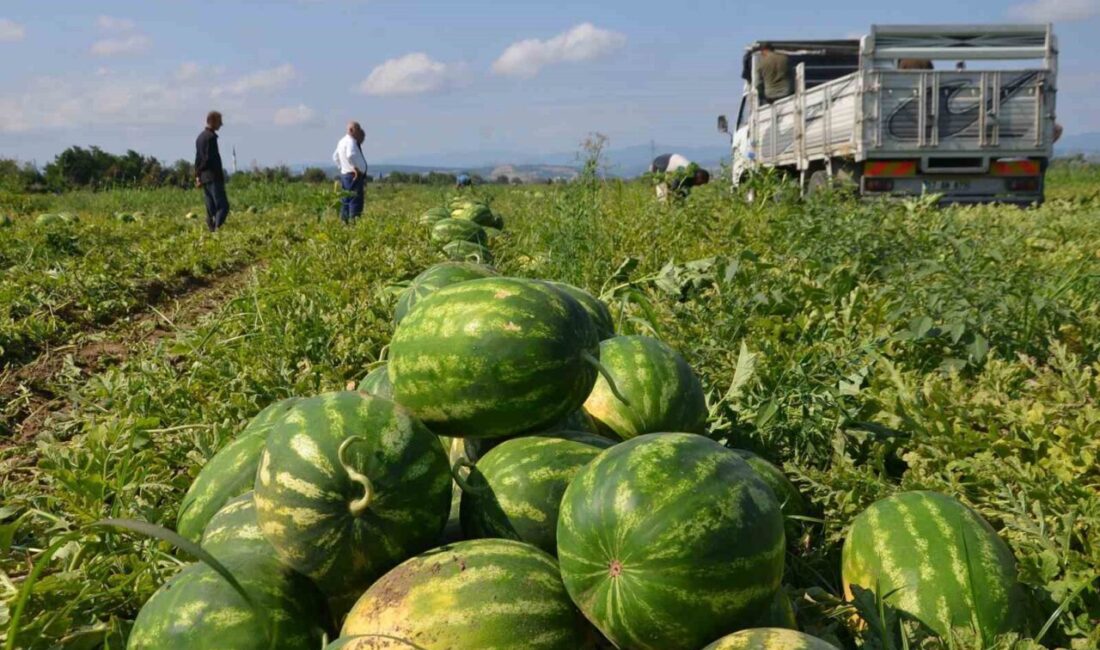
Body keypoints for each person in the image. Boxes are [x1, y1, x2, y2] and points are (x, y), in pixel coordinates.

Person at [194, 111, 229, 232]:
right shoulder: (211, 138)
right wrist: (202, 170)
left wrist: (198, 175)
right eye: (220, 121)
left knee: (211, 207)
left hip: (204, 178)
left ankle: (211, 229)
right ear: (213, 121)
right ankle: (216, 230)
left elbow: (198, 159)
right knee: (223, 206)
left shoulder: (200, 137)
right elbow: (207, 159)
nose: (221, 124)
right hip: (213, 176)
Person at [332, 121, 368, 223]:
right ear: (352, 130)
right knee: (355, 200)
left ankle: (345, 222)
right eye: (358, 130)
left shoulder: (341, 141)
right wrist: (355, 169)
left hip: (345, 175)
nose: (359, 132)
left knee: (345, 200)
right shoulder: (351, 141)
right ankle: (353, 223)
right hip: (353, 175)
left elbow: (335, 157)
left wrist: (342, 168)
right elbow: (350, 155)